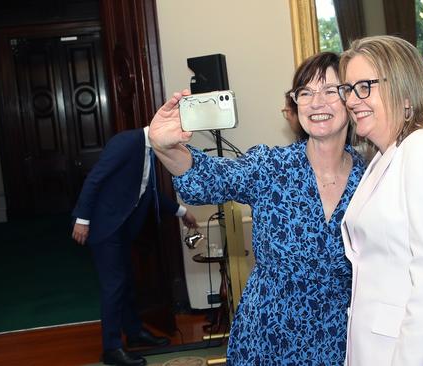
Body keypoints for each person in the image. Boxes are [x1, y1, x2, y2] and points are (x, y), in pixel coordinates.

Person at [148, 52, 365, 365]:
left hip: (340, 339)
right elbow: (210, 178)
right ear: (296, 104)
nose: (317, 102)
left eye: (330, 90)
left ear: (350, 99)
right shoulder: (271, 166)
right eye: (305, 92)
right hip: (268, 336)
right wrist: (165, 147)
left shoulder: (369, 175)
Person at [338, 35, 423, 365]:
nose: (352, 100)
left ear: (404, 89)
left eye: (365, 87)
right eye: (348, 89)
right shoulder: (385, 157)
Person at [72, 127, 198, 366]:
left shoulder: (151, 152)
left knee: (127, 281)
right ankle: (111, 349)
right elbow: (95, 178)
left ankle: (134, 332)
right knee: (114, 286)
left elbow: (149, 193)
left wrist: (182, 212)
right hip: (102, 226)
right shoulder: (126, 142)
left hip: (121, 228)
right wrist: (82, 219)